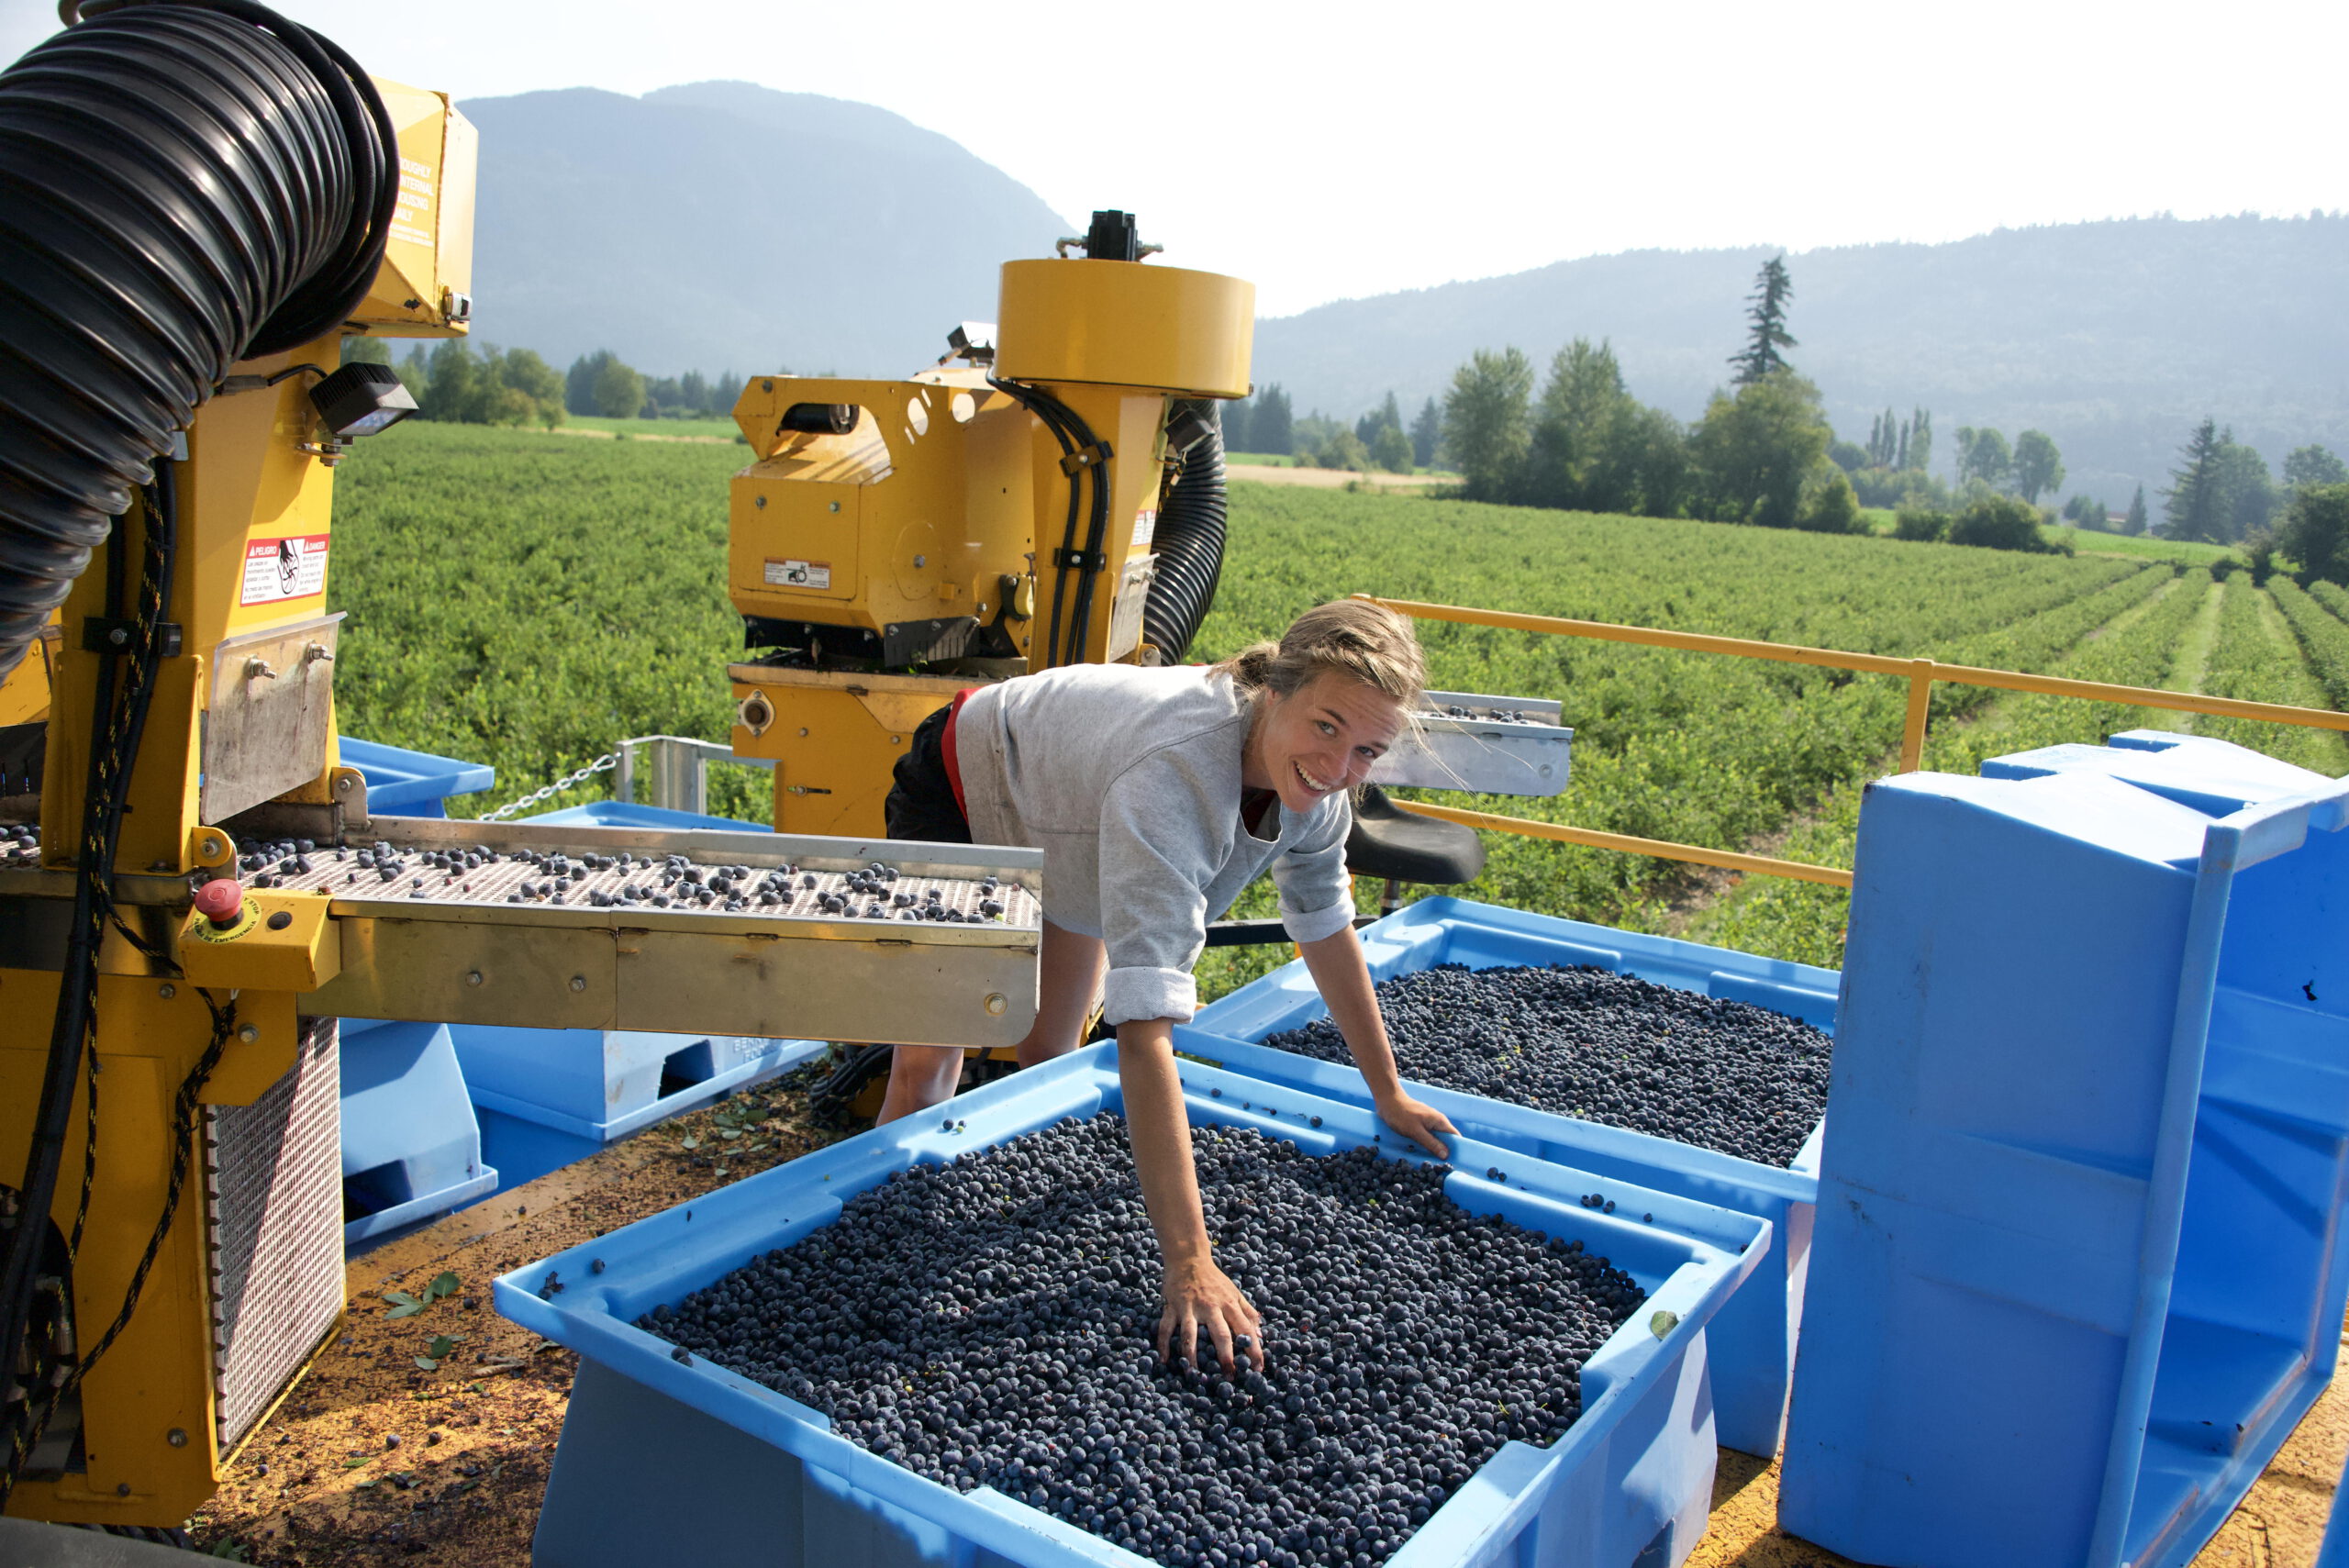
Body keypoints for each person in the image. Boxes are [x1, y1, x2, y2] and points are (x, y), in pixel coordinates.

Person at [875, 598, 1459, 1375]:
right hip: (975, 782)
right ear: (1275, 692)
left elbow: (1324, 922)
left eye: (1367, 751)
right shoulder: (1172, 781)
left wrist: (1386, 1091)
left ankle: (1012, 1213)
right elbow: (1145, 1030)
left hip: (1078, 807)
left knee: (1049, 1049)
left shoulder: (1321, 787)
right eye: (1326, 726)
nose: (1338, 767)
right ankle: (878, 1244)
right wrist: (1189, 1263)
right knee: (926, 1071)